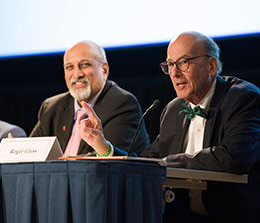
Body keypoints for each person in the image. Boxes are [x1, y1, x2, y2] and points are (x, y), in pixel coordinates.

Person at [78, 32, 260, 222]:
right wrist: (102, 145)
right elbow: (147, 162)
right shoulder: (174, 109)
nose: (174, 73)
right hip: (180, 216)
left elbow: (234, 157)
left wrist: (171, 161)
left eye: (183, 62)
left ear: (211, 65)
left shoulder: (242, 98)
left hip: (230, 215)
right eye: (170, 64)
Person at [30, 40, 150, 156]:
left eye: (85, 65)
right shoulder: (52, 107)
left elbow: (110, 159)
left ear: (104, 70)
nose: (77, 74)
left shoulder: (122, 104)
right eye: (69, 67)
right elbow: (33, 151)